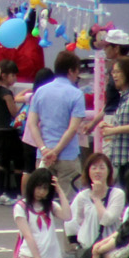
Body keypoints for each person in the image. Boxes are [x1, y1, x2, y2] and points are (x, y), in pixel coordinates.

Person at [28, 50, 92, 193]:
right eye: (77, 72)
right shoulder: (76, 94)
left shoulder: (40, 91)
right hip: (67, 155)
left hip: (43, 155)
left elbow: (32, 124)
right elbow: (73, 128)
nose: (77, 76)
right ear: (71, 71)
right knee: (70, 203)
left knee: (42, 200)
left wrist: (44, 149)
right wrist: (56, 151)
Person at [0, 59, 24, 205]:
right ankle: (16, 193)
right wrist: (23, 110)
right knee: (17, 161)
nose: (15, 78)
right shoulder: (7, 94)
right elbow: (14, 112)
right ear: (4, 76)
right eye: (13, 76)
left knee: (2, 162)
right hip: (9, 132)